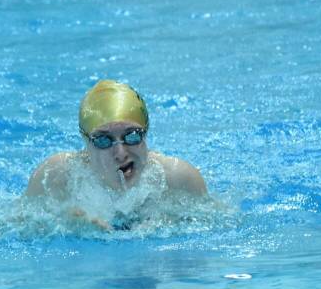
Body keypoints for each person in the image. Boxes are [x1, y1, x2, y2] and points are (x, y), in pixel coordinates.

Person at [26, 80, 206, 229]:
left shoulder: (179, 179)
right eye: (103, 140)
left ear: (146, 132)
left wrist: (173, 223)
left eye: (132, 136)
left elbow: (222, 223)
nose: (121, 154)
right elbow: (8, 229)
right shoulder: (55, 177)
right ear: (86, 142)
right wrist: (67, 226)